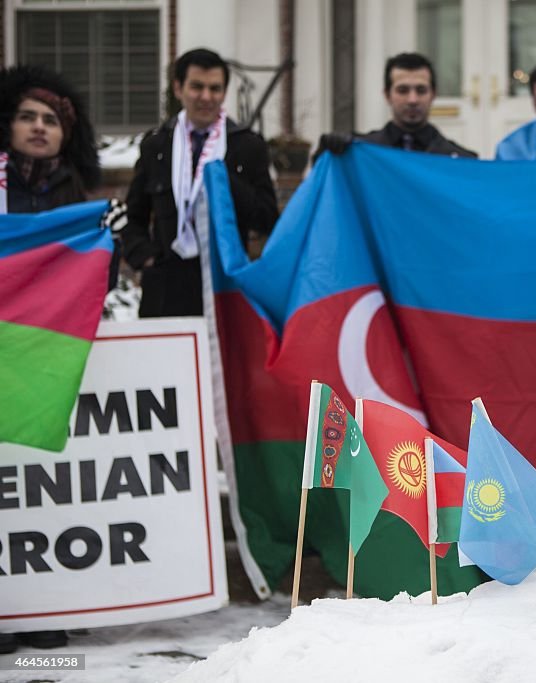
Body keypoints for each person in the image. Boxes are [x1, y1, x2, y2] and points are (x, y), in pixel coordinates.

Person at [0, 63, 107, 653]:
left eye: (50, 120)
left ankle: (44, 607)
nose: (38, 128)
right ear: (8, 125)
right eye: (27, 117)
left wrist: (106, 244)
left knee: (45, 484)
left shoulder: (76, 199)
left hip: (46, 361)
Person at [121, 48, 278, 318]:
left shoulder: (247, 146)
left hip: (225, 289)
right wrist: (145, 259)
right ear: (178, 88)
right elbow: (132, 216)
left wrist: (223, 180)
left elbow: (267, 219)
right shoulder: (157, 145)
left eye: (215, 89)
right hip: (166, 290)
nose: (206, 97)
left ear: (224, 93)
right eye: (197, 87)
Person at [315, 52, 476, 160]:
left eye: (421, 90)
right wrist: (325, 154)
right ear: (387, 94)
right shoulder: (359, 151)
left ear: (433, 94)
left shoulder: (460, 160)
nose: (412, 99)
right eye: (402, 90)